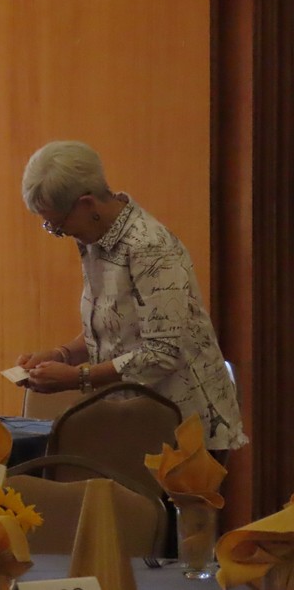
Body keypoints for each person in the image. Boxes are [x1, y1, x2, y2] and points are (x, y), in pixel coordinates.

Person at [16, 140, 247, 453]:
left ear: (86, 204)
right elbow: (113, 327)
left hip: (184, 429)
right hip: (132, 421)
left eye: (58, 225)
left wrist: (78, 378)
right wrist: (62, 355)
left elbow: (163, 351)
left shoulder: (149, 247)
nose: (61, 233)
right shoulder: (97, 239)